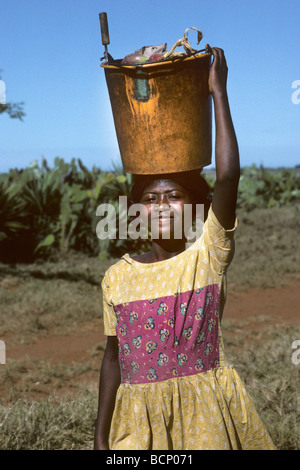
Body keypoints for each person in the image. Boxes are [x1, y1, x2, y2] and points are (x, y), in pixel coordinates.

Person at [94, 47, 276, 450]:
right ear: (136, 209)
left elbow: (228, 177)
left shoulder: (207, 256)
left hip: (204, 420)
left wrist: (217, 93)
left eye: (173, 196)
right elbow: (112, 360)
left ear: (195, 205)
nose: (161, 206)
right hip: (138, 428)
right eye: (151, 199)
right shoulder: (117, 278)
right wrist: (101, 437)